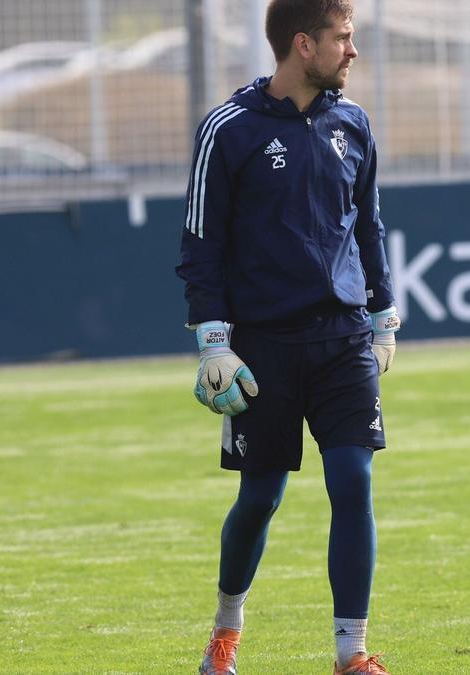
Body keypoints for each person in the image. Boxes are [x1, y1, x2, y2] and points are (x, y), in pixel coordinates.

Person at [175, 1, 398, 672]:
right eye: (343, 38)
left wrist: (383, 314)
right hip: (262, 346)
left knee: (353, 478)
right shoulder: (227, 129)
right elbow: (200, 242)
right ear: (304, 45)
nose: (352, 52)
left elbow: (368, 228)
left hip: (342, 338)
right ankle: (225, 628)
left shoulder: (352, 124)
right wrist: (214, 339)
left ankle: (351, 653)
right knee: (260, 496)